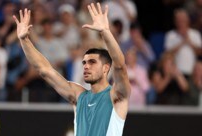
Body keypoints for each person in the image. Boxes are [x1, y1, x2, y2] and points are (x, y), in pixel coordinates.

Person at [13, 3, 131, 136]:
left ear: (106, 68)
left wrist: (105, 32)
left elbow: (120, 66)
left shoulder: (116, 96)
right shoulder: (79, 96)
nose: (86, 66)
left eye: (92, 62)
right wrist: (24, 40)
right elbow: (44, 70)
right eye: (84, 62)